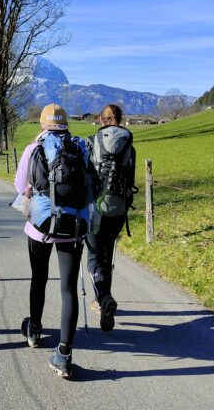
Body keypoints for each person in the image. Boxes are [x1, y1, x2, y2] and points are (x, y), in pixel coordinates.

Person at [14, 103, 97, 379]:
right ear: (65, 124)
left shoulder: (33, 148)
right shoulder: (80, 147)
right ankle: (63, 354)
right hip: (74, 226)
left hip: (41, 225)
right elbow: (94, 186)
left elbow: (18, 186)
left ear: (42, 124)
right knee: (68, 288)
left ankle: (35, 330)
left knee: (39, 278)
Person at [85, 103, 135, 333]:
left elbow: (87, 174)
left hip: (96, 208)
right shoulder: (129, 145)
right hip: (118, 208)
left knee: (95, 255)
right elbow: (131, 179)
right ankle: (104, 299)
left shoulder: (93, 141)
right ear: (120, 118)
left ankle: (103, 298)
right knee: (108, 255)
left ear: (102, 120)